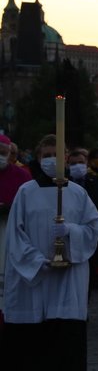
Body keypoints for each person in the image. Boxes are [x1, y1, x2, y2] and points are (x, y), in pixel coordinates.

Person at [0, 134, 98, 371]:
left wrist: (71, 232)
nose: (52, 160)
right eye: (46, 155)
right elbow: (16, 235)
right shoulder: (26, 192)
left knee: (66, 335)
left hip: (68, 276)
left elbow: (94, 228)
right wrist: (37, 260)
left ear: (67, 157)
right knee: (35, 335)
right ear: (37, 157)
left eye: (57, 154)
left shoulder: (78, 194)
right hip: (35, 276)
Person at [67, 148, 98, 292]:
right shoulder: (63, 183)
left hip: (93, 233)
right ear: (67, 165)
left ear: (86, 163)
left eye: (80, 162)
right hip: (70, 234)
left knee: (92, 272)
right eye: (73, 163)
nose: (77, 166)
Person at [0, 133, 32, 316]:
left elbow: (30, 205)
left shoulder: (22, 176)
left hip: (11, 234)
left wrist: (9, 208)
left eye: (3, 153)